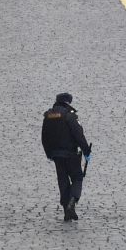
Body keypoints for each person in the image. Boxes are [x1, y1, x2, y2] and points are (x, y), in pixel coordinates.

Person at [40, 91, 91, 221]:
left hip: (56, 155)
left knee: (62, 180)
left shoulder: (48, 116)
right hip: (71, 154)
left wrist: (49, 153)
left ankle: (65, 209)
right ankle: (72, 201)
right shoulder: (70, 116)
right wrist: (86, 151)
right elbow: (78, 135)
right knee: (77, 177)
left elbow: (44, 137)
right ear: (68, 102)